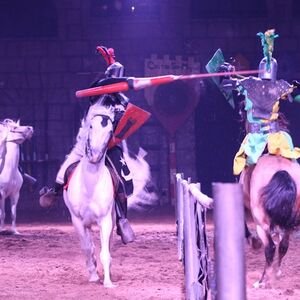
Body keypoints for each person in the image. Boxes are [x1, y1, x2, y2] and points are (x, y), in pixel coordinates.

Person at [39, 46, 135, 244]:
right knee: (63, 172)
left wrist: (123, 88)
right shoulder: (96, 95)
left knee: (123, 180)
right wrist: (113, 72)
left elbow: (126, 122)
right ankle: (55, 192)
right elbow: (102, 84)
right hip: (85, 145)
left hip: (110, 146)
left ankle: (123, 220)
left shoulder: (122, 102)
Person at [207, 29, 300, 176]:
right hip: (277, 138)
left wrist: (224, 73)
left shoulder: (249, 84)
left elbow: (227, 84)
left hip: (255, 140)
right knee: (291, 154)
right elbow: (295, 96)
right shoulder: (280, 86)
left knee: (244, 168)